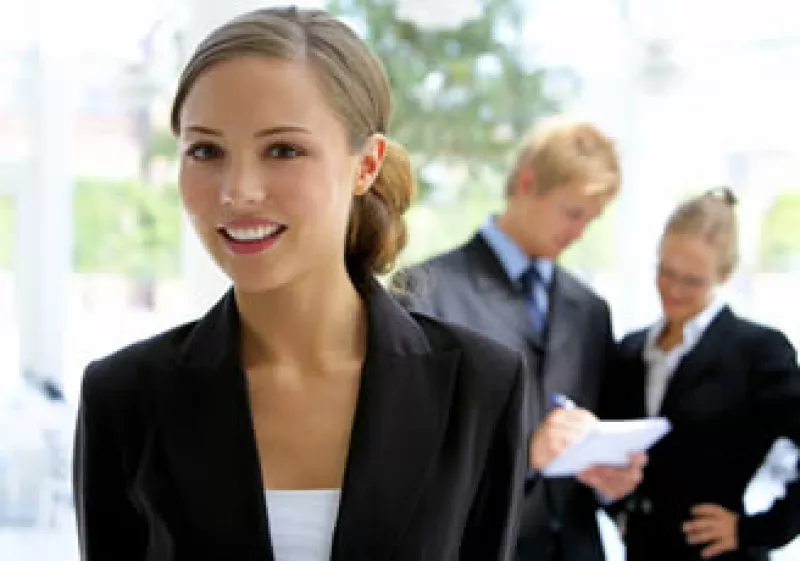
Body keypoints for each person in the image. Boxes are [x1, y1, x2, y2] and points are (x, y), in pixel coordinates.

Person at [72, 7, 530, 560]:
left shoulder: (480, 387)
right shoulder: (124, 397)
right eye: (206, 151)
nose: (238, 191)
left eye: (283, 150)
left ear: (366, 165)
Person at [394, 116, 645, 561]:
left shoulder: (590, 310)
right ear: (527, 183)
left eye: (592, 218)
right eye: (572, 212)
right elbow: (405, 455)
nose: (580, 232)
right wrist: (524, 454)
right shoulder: (427, 291)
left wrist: (613, 481)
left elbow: (604, 430)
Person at [606, 188, 800, 561]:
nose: (674, 290)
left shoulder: (759, 353)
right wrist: (617, 511)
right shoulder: (629, 352)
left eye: (692, 280)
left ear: (723, 274)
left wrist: (758, 529)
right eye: (665, 272)